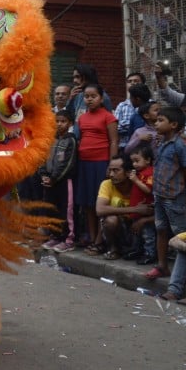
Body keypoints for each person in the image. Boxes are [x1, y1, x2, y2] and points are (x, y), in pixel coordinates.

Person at [146, 106, 186, 280]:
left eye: (160, 121)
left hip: (174, 196)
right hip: (159, 194)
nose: (156, 123)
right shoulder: (161, 143)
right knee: (161, 229)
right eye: (156, 120)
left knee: (180, 234)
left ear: (174, 124)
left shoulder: (181, 146)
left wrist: (185, 189)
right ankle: (162, 266)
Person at [75, 84, 118, 252]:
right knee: (87, 204)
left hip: (101, 163)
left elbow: (114, 141)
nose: (89, 99)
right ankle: (92, 238)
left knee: (99, 201)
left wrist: (112, 165)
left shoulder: (109, 117)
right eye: (86, 96)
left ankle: (100, 240)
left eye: (93, 96)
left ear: (101, 98)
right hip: (84, 164)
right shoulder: (82, 118)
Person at [40, 109, 77, 252]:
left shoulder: (71, 140)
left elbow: (68, 163)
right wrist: (44, 174)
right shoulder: (50, 139)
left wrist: (54, 178)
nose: (59, 124)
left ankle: (68, 239)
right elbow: (43, 158)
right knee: (51, 209)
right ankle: (55, 236)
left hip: (63, 181)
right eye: (57, 121)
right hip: (48, 181)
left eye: (63, 121)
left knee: (65, 210)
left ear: (70, 123)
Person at [94, 155, 141, 259]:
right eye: (110, 170)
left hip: (137, 228)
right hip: (119, 229)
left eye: (116, 171)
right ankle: (113, 249)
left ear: (128, 172)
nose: (111, 174)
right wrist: (134, 209)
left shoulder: (139, 184)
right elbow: (100, 209)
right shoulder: (107, 184)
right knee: (111, 220)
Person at [125, 143, 156, 264]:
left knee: (148, 234)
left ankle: (150, 253)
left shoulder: (150, 172)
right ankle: (138, 250)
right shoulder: (138, 173)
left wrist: (136, 180)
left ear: (148, 160)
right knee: (137, 232)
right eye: (133, 161)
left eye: (137, 161)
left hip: (146, 210)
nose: (134, 164)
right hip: (137, 209)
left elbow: (148, 190)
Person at [114, 73, 146, 150]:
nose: (132, 83)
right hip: (124, 146)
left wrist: (124, 125)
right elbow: (115, 128)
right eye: (129, 81)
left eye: (136, 81)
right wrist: (136, 126)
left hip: (144, 147)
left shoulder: (150, 104)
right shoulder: (122, 106)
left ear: (143, 84)